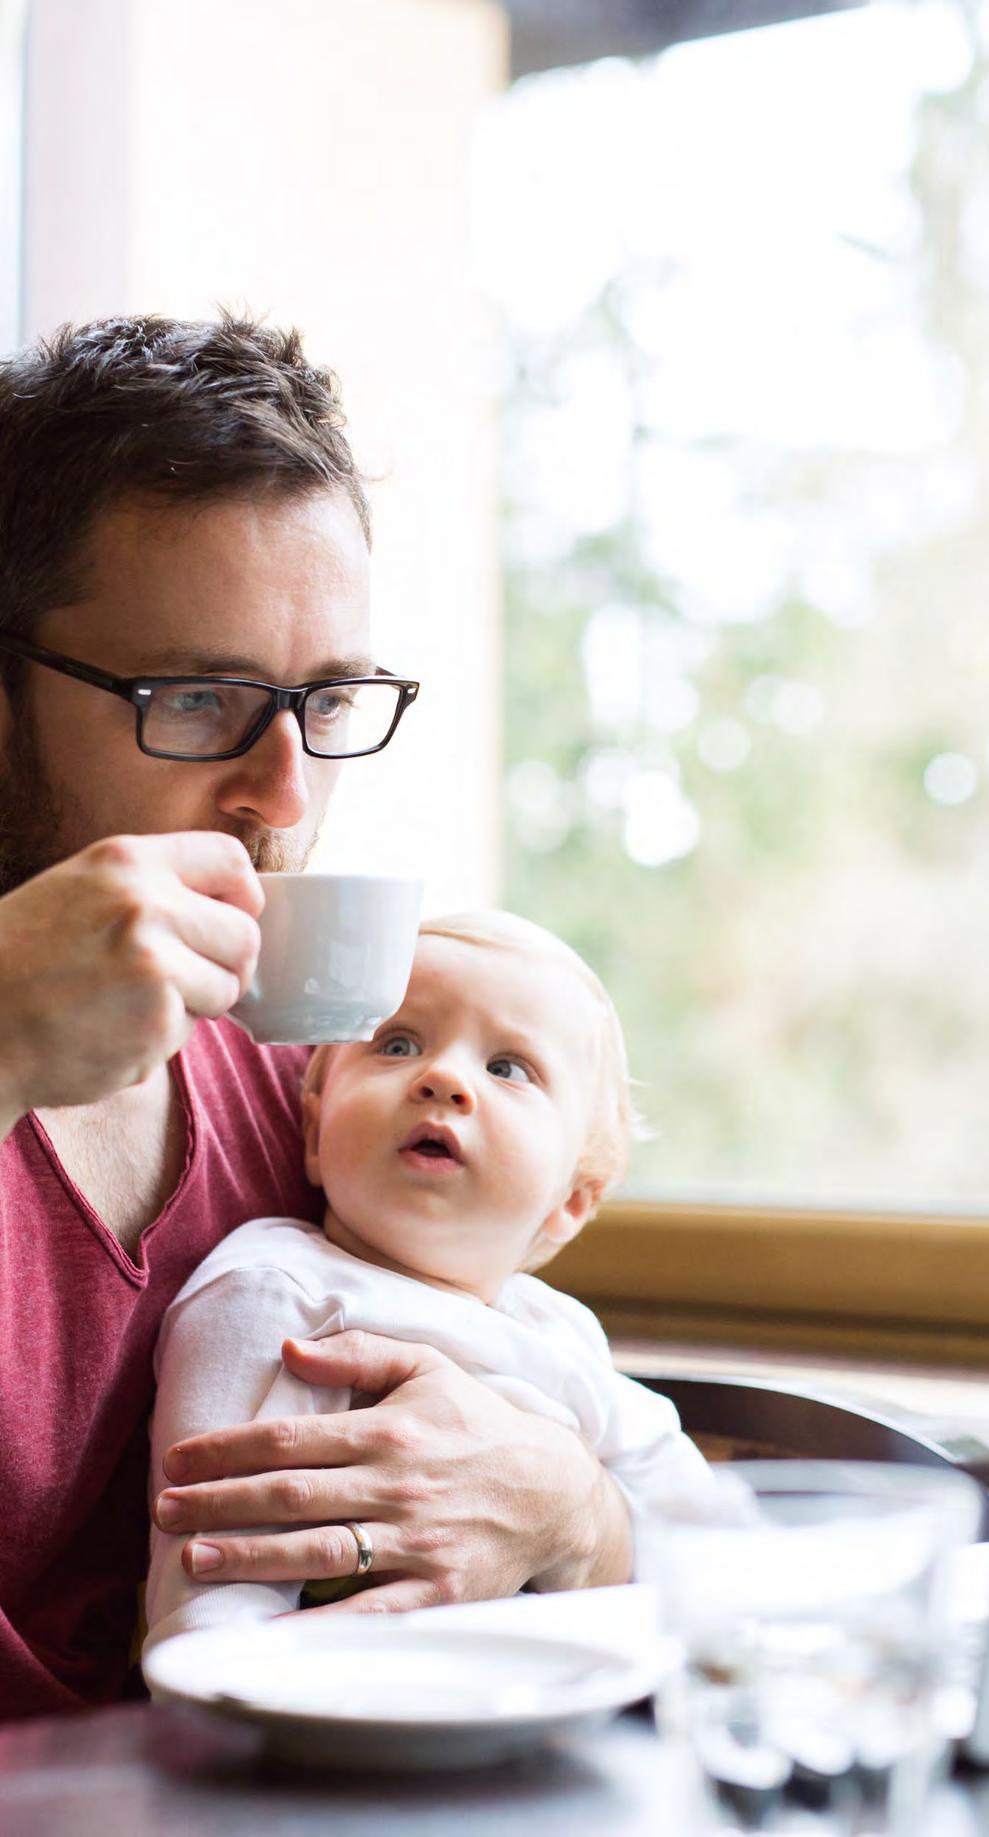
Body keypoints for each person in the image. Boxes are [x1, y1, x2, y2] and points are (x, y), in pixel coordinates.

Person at [0, 315, 632, 1724]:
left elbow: (613, 1523)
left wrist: (567, 1507)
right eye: (199, 697)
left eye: (326, 699)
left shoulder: (308, 1074)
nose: (285, 794)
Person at [144, 911, 723, 1649]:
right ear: (315, 1132)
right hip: (332, 1731)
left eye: (508, 1066)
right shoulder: (272, 1291)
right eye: (397, 1042)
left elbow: (702, 1538)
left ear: (574, 1198)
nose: (444, 1077)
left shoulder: (562, 1334)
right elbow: (211, 1584)